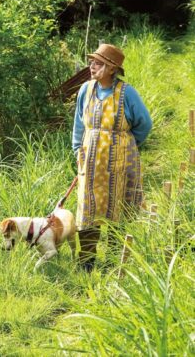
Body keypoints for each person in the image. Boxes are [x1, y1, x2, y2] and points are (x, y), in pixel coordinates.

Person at [72, 43, 152, 271]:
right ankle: (86, 261)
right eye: (92, 61)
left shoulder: (127, 93)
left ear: (111, 69)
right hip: (90, 161)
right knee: (88, 208)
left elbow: (144, 124)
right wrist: (78, 149)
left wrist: (127, 143)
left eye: (98, 63)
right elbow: (79, 124)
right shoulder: (86, 90)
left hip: (121, 161)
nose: (92, 66)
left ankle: (116, 260)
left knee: (119, 207)